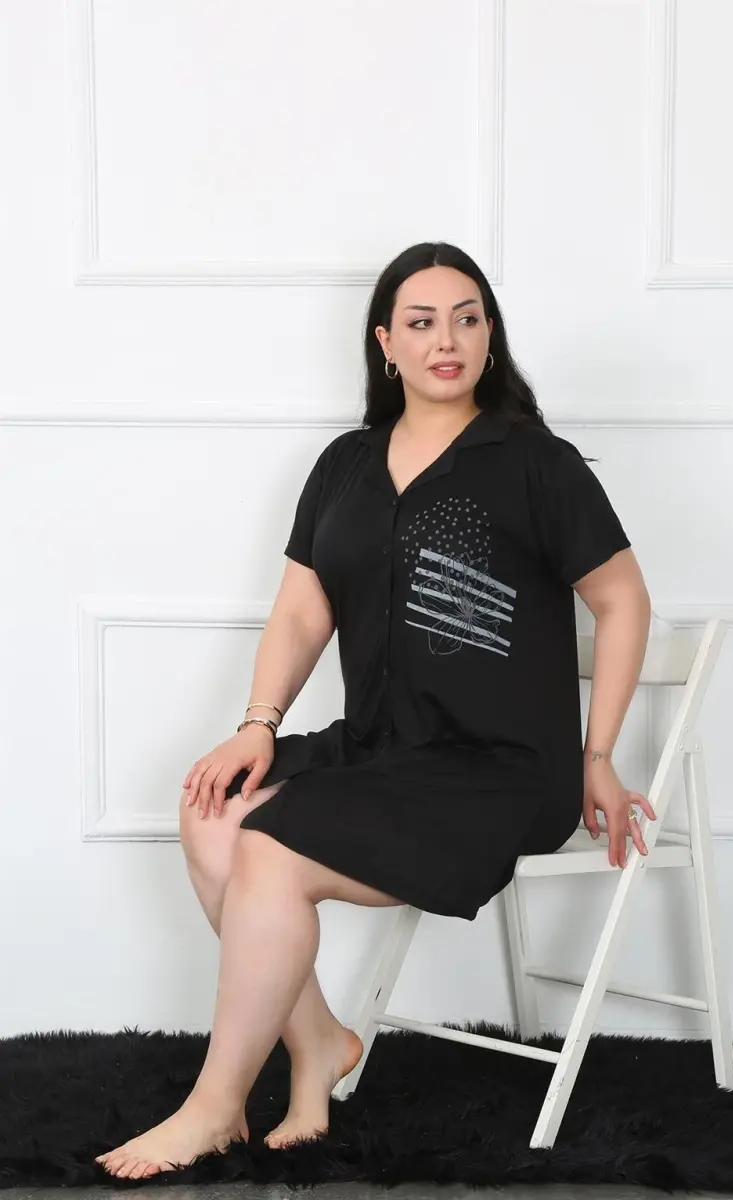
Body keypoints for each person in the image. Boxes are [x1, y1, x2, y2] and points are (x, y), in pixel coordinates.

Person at [96, 242, 654, 1178]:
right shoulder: (345, 465)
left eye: (467, 319)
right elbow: (301, 610)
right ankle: (319, 1043)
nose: (448, 340)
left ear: (490, 335)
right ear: (385, 343)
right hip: (382, 748)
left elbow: (624, 600)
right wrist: (258, 724)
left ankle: (214, 1107)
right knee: (213, 811)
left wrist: (598, 756)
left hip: (497, 768)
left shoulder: (536, 464)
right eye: (422, 322)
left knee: (271, 848)